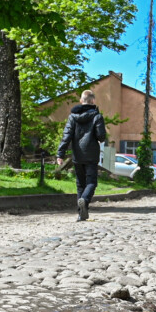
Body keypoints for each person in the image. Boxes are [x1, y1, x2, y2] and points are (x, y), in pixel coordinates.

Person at [56, 89, 109, 221]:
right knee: (91, 182)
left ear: (81, 101)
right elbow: (101, 137)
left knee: (80, 184)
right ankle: (84, 201)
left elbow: (66, 136)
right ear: (93, 101)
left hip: (77, 155)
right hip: (91, 155)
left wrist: (60, 154)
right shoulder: (97, 116)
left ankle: (81, 214)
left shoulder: (72, 117)